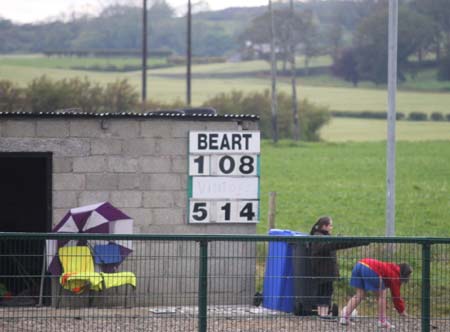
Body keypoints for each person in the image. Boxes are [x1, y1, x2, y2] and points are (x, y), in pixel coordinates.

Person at [309, 216, 367, 320]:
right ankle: (322, 314)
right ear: (324, 226)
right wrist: (338, 241)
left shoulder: (322, 237)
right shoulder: (319, 238)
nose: (332, 227)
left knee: (326, 291)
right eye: (330, 225)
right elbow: (328, 247)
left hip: (325, 270)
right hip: (323, 271)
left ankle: (324, 314)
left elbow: (332, 245)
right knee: (324, 292)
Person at [339, 258, 412, 328]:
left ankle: (344, 317)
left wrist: (384, 304)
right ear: (404, 274)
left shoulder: (392, 267)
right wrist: (402, 311)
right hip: (370, 268)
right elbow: (396, 296)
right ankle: (382, 321)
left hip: (359, 264)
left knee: (359, 295)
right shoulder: (395, 275)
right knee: (382, 294)